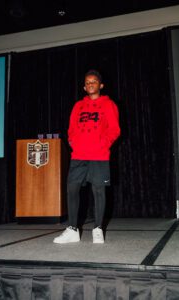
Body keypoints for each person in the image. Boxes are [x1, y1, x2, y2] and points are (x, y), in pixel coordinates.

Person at [53, 69, 120, 244]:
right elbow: (71, 129)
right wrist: (74, 142)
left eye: (94, 81)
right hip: (79, 155)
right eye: (88, 82)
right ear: (84, 87)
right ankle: (73, 229)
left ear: (101, 85)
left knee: (98, 190)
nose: (91, 84)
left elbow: (114, 129)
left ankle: (98, 229)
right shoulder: (78, 106)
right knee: (72, 189)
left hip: (99, 155)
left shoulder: (108, 104)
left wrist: (102, 144)